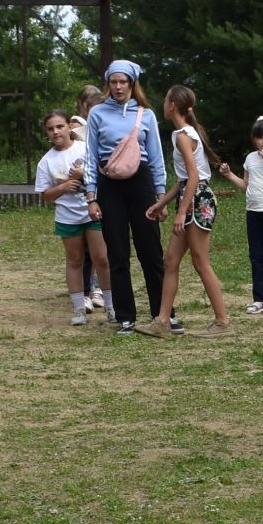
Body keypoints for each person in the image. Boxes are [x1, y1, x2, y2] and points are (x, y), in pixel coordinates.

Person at [82, 60, 168, 334]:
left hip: (141, 183)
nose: (118, 87)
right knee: (117, 253)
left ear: (132, 84)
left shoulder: (146, 114)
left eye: (124, 82)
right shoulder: (97, 113)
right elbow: (90, 157)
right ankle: (125, 316)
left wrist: (161, 195)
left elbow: (156, 157)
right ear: (108, 83)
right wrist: (91, 197)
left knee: (151, 251)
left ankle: (162, 313)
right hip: (110, 185)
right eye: (114, 82)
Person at [142, 85, 231, 337]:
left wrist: (181, 212)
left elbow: (193, 178)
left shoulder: (182, 135)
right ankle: (162, 321)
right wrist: (162, 202)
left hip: (198, 199)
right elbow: (183, 180)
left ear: (172, 105)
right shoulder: (185, 133)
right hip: (191, 195)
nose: (163, 104)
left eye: (166, 99)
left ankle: (223, 322)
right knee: (170, 261)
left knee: (201, 262)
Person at [35, 109, 111, 328]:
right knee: (75, 260)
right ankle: (78, 308)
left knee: (102, 258)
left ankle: (111, 305)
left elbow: (102, 173)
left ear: (69, 126)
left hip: (92, 210)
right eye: (50, 129)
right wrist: (63, 187)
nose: (56, 132)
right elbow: (46, 195)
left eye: (59, 126)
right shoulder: (46, 162)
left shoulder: (85, 148)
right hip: (67, 217)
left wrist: (82, 176)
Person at [217, 114, 263, 315]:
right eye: (260, 137)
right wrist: (229, 175)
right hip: (253, 212)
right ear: (254, 139)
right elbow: (246, 186)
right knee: (256, 257)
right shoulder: (250, 158)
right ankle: (259, 299)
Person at [69, 84, 106, 312]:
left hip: (102, 191)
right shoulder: (75, 127)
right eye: (87, 104)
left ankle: (99, 288)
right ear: (82, 105)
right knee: (82, 248)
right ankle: (85, 289)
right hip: (81, 196)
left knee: (101, 247)